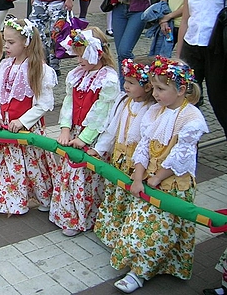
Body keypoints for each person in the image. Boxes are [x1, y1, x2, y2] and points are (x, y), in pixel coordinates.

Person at [111, 56, 208, 294]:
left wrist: (156, 177)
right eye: (153, 87)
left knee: (161, 231)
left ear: (181, 89)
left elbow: (181, 155)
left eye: (161, 89)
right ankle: (139, 265)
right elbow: (144, 146)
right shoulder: (155, 111)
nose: (154, 93)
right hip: (148, 182)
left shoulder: (191, 118)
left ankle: (140, 273)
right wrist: (138, 175)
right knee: (141, 225)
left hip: (172, 183)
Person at [0, 18, 57, 220]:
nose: (5, 46)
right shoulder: (5, 66)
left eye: (11, 42)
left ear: (26, 42)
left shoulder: (39, 69)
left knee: (32, 168)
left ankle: (44, 197)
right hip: (3, 127)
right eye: (5, 41)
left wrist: (23, 121)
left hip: (25, 130)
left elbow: (43, 104)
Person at [49, 27, 120, 236]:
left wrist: (84, 138)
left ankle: (84, 217)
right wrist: (64, 129)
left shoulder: (108, 79)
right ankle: (67, 214)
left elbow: (102, 112)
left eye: (82, 54)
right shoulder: (76, 75)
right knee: (69, 175)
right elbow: (69, 103)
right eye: (77, 54)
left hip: (94, 136)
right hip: (75, 133)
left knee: (85, 177)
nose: (78, 59)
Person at [89, 57, 155, 247]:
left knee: (130, 201)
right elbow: (112, 129)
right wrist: (99, 149)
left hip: (134, 164)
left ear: (148, 86)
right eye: (125, 81)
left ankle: (126, 237)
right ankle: (110, 233)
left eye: (131, 83)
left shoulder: (152, 110)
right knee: (115, 197)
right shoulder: (123, 101)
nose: (125, 86)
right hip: (118, 160)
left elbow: (146, 142)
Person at [178, 0, 227, 135]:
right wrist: (178, 54)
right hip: (192, 46)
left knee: (220, 99)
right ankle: (189, 146)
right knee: (188, 98)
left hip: (217, 48)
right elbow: (186, 19)